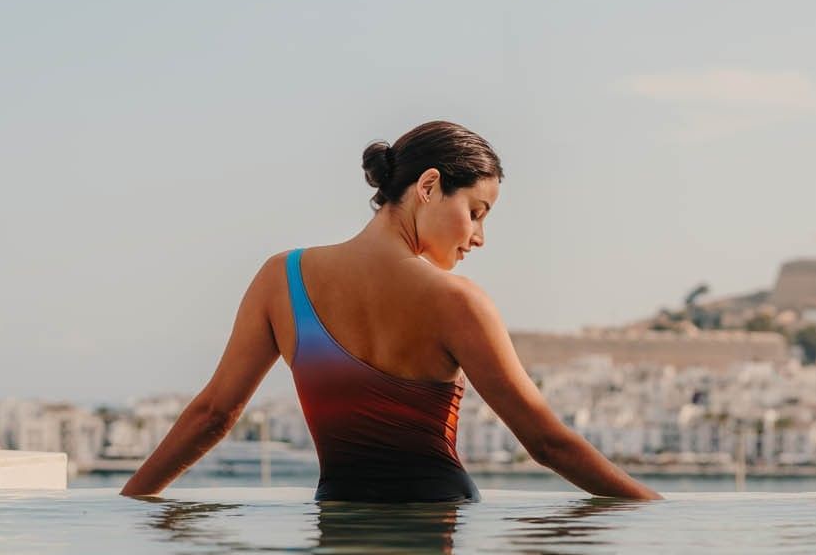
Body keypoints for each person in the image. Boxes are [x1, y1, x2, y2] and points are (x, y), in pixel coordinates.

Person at [121, 120, 661, 502]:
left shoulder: (278, 279)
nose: (479, 237)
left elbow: (214, 414)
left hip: (338, 525)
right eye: (475, 212)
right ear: (428, 186)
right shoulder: (460, 302)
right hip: (435, 522)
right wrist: (656, 511)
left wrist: (130, 503)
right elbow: (547, 443)